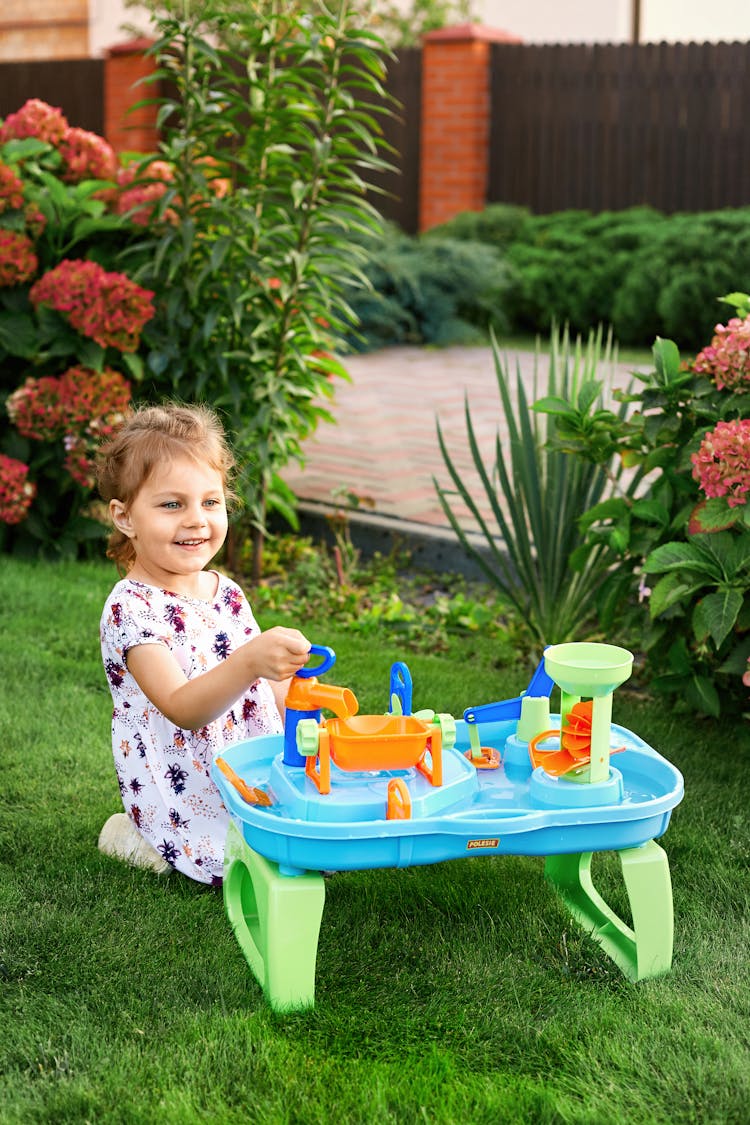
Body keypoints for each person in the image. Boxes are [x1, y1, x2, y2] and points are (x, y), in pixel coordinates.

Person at [96, 403, 310, 885]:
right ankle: (133, 836)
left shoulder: (226, 593)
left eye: (210, 503)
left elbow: (272, 691)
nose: (196, 520)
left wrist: (308, 703)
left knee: (295, 841)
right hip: (179, 777)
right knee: (235, 863)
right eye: (172, 505)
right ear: (125, 516)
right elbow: (182, 707)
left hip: (243, 761)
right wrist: (251, 660)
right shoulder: (131, 610)